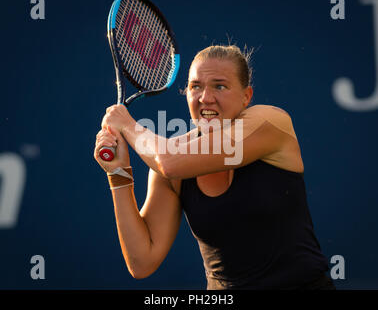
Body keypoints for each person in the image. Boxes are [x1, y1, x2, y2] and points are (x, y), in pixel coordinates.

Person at [94, 45, 336, 290]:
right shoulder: (168, 158)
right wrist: (118, 172)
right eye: (195, 86)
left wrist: (126, 124)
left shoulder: (271, 121)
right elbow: (142, 262)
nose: (205, 98)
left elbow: (168, 162)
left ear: (246, 96)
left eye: (220, 86)